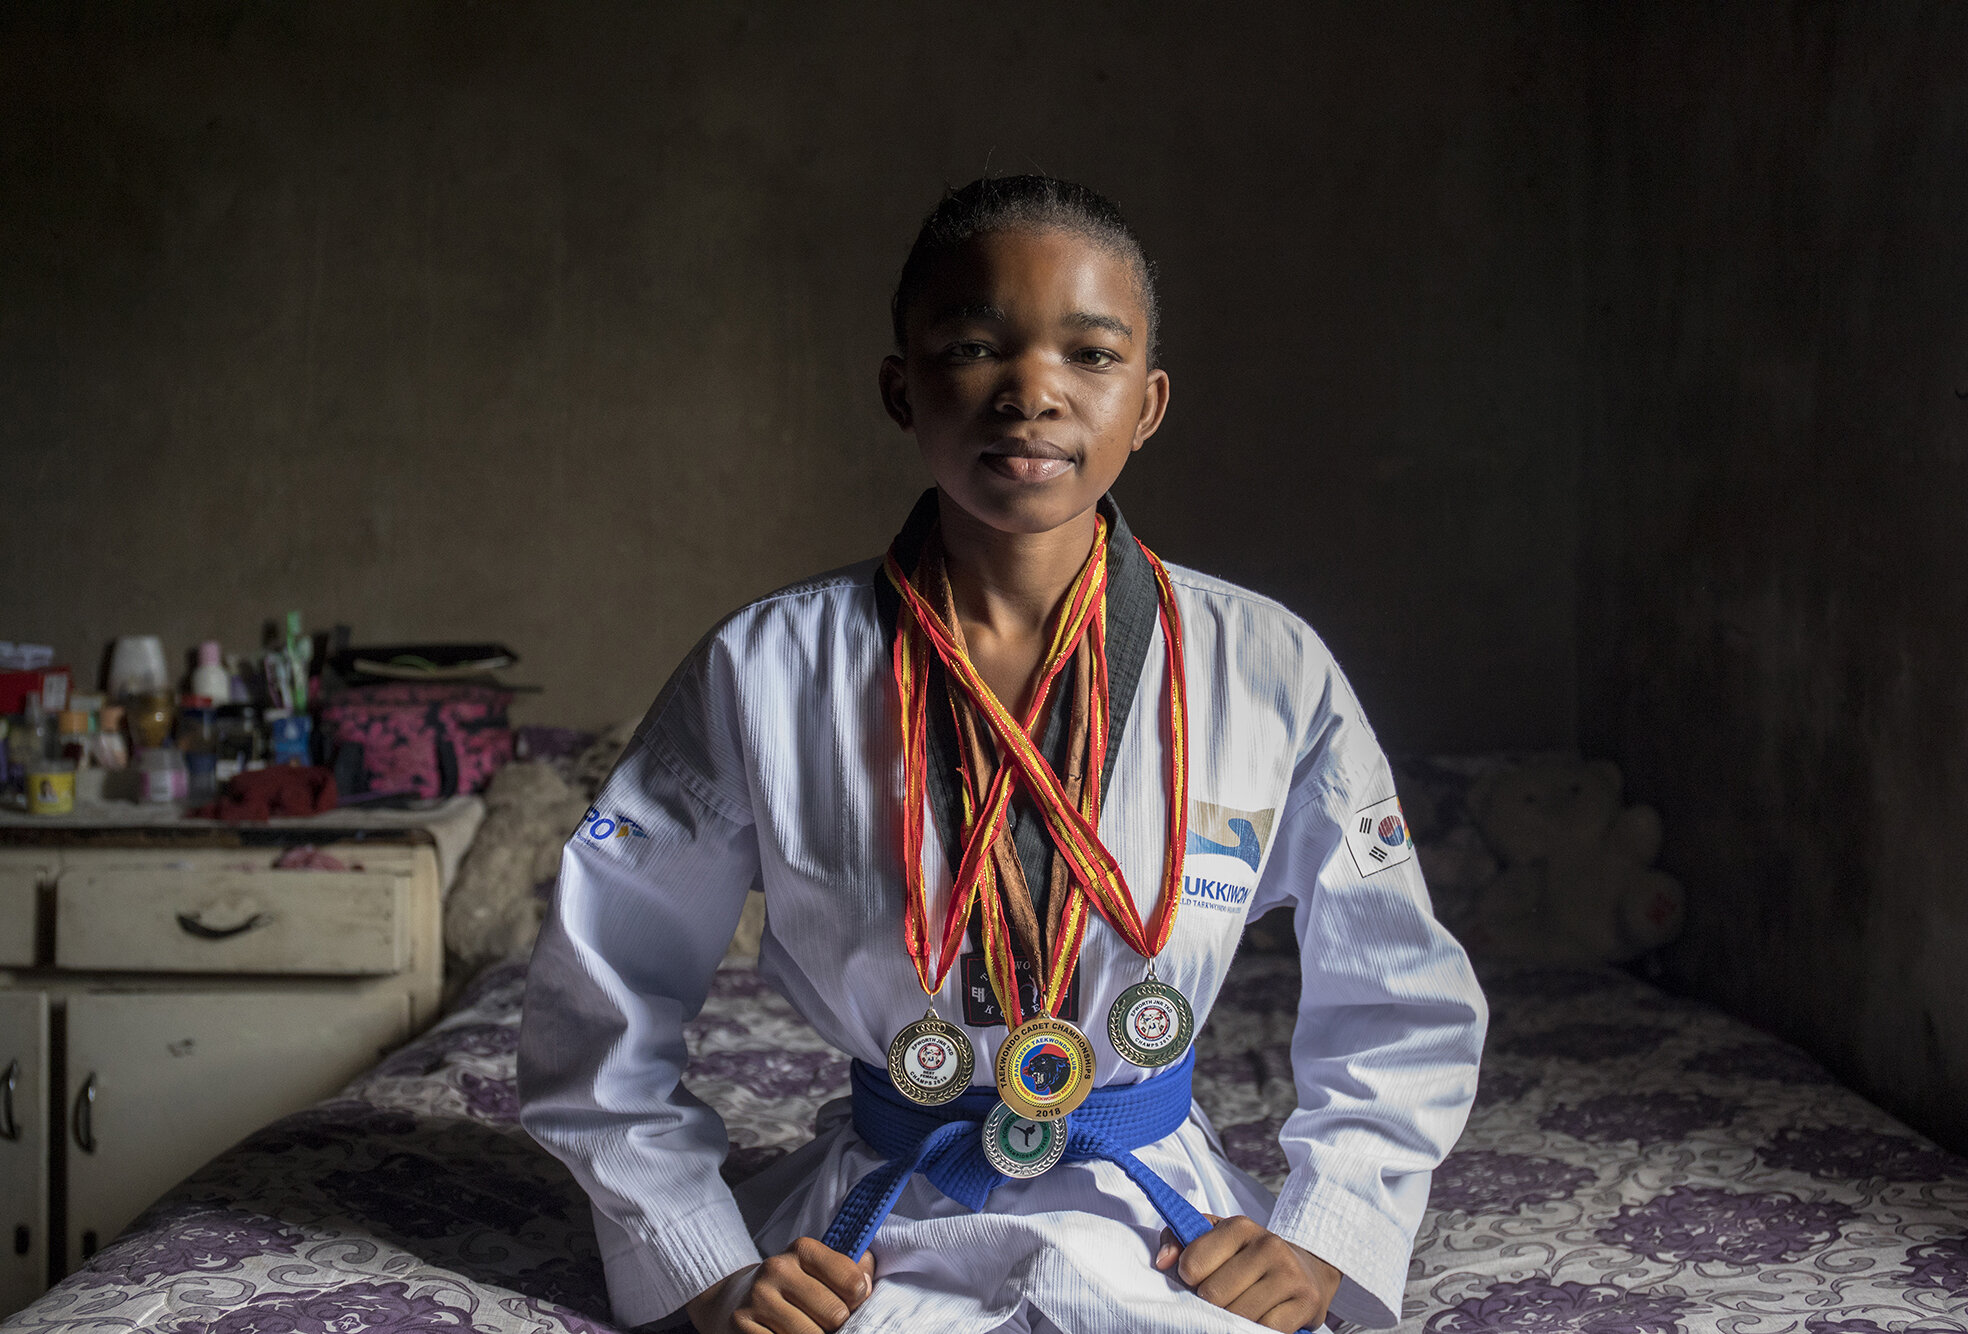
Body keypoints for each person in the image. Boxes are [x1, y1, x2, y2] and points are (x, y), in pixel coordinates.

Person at [520, 175, 1486, 1334]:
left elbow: (1399, 990)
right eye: (974, 346)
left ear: (1149, 401)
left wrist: (1328, 1231)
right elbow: (602, 985)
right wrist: (699, 1259)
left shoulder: (1265, 665)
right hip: (863, 1225)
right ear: (901, 387)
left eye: (1090, 355)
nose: (1032, 392)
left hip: (1161, 1222)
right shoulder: (764, 668)